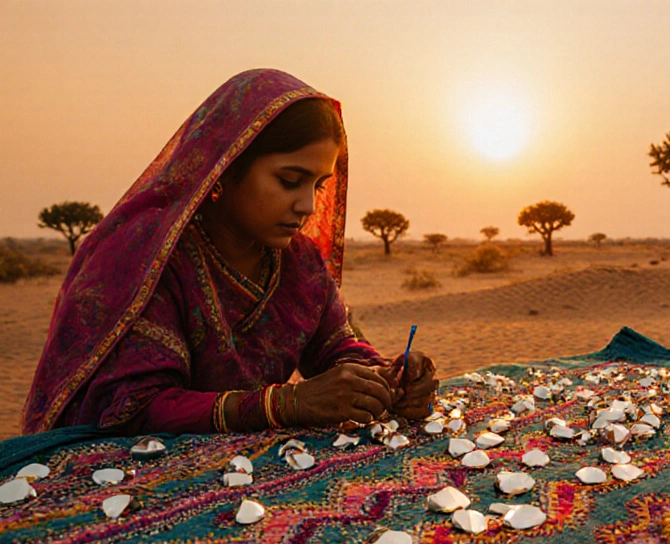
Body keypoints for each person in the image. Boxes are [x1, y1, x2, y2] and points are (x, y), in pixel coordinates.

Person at [21, 69, 438, 435]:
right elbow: (136, 407)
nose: (308, 206)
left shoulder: (300, 262)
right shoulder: (151, 260)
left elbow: (335, 350)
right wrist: (286, 404)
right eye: (290, 180)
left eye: (318, 186)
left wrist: (388, 377)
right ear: (227, 166)